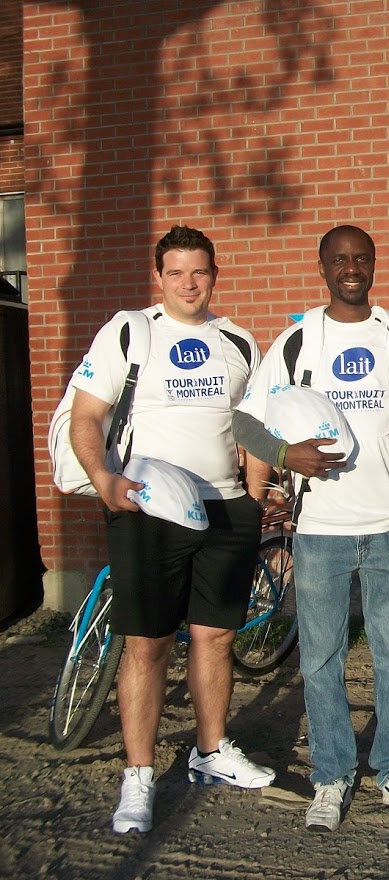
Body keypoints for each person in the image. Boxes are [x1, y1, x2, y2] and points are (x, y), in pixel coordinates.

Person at [69, 225, 275, 835]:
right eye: (177, 272)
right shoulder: (130, 331)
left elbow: (255, 427)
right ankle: (138, 776)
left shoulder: (238, 341)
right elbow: (87, 415)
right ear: (159, 277)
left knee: (214, 639)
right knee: (147, 645)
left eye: (200, 271)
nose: (189, 283)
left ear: (216, 274)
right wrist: (105, 481)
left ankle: (210, 754)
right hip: (147, 510)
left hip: (225, 509)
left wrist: (255, 497)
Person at [232, 224, 389, 832]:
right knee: (320, 657)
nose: (352, 267)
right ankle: (332, 777)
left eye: (361, 258)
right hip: (319, 529)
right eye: (339, 259)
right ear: (322, 267)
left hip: (388, 524)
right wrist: (285, 456)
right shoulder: (297, 342)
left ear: (374, 264)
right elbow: (244, 424)